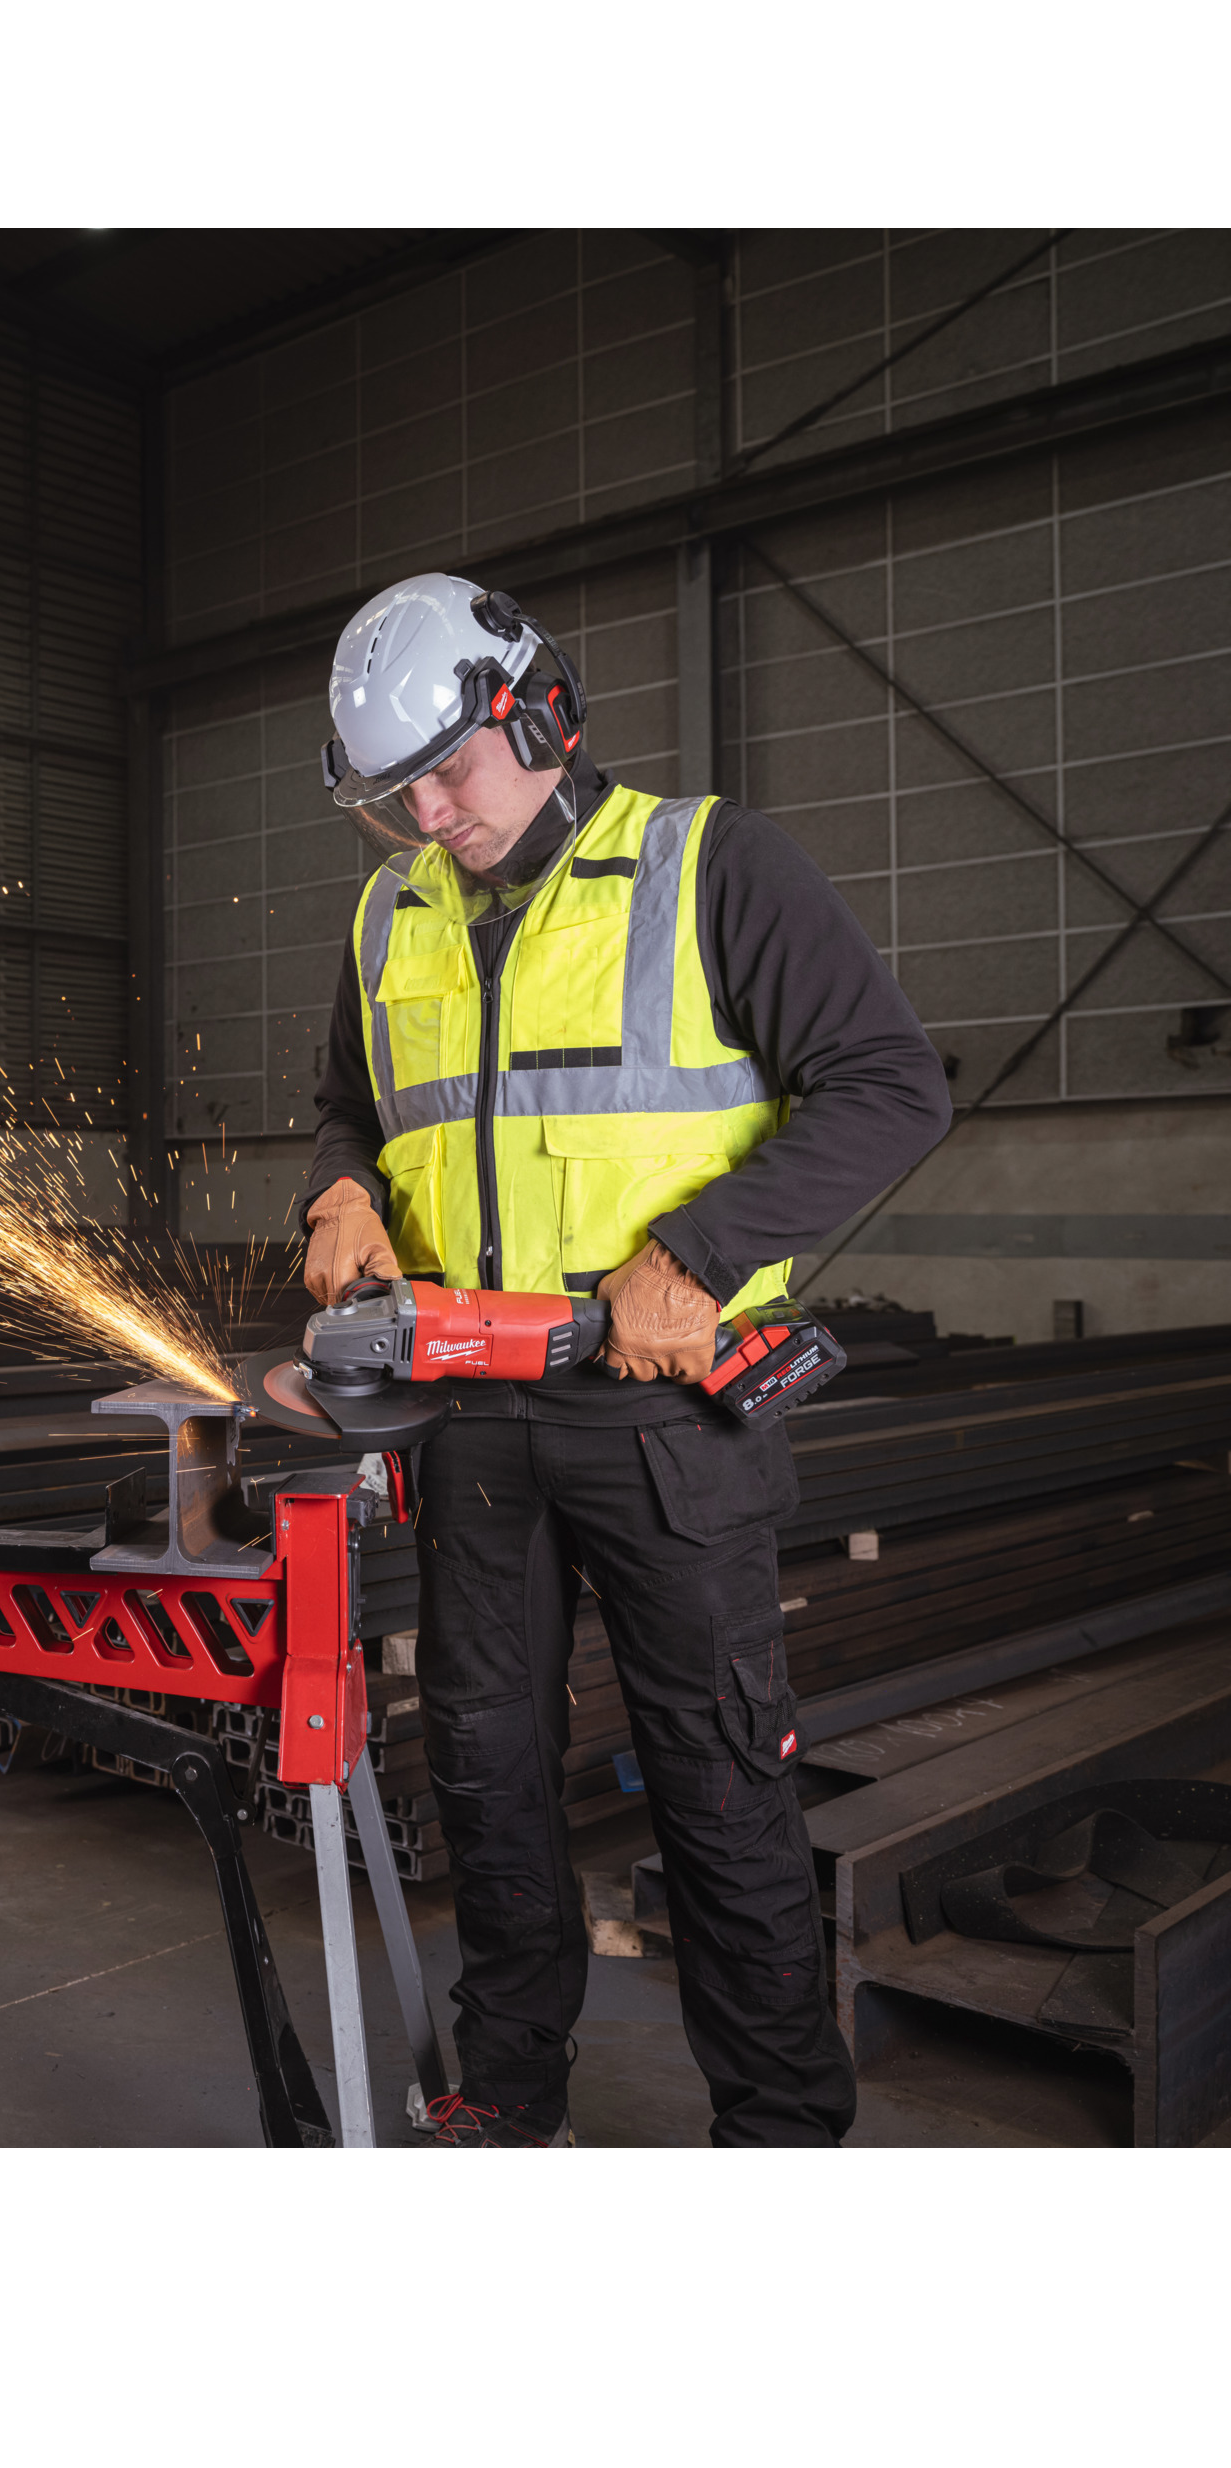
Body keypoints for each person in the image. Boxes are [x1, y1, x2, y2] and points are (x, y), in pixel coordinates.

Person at [304, 572, 953, 2146]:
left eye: (450, 770)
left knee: (717, 1776)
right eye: (396, 794)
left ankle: (777, 2132)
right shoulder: (391, 915)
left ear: (538, 712)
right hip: (469, 1416)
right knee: (484, 1769)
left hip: (663, 1423)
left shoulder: (710, 865)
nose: (430, 816)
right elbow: (349, 1108)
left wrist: (700, 1256)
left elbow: (890, 1085)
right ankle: (510, 2096)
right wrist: (338, 1192)